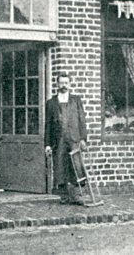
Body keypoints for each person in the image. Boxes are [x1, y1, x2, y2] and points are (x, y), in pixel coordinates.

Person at [45, 73, 88, 205]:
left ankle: (77, 195)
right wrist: (47, 144)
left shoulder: (76, 100)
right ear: (57, 84)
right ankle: (64, 195)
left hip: (74, 138)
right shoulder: (51, 103)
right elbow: (48, 125)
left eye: (66, 83)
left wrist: (83, 139)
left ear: (69, 84)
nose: (64, 85)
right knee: (60, 166)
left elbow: (82, 120)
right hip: (59, 139)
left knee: (77, 166)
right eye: (61, 83)